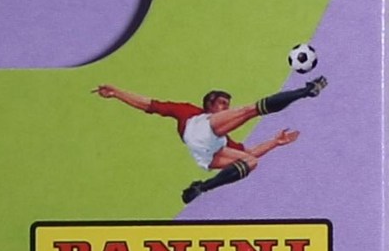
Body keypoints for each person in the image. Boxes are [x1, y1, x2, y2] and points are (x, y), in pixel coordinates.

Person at [92, 76, 326, 204]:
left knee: (251, 162)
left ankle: (201, 187)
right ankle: (305, 91)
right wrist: (117, 93)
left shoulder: (223, 138)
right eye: (222, 104)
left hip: (205, 154)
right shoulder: (189, 112)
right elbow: (149, 105)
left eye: (227, 105)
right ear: (209, 105)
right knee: (250, 110)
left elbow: (249, 154)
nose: (226, 108)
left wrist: (275, 142)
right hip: (199, 131)